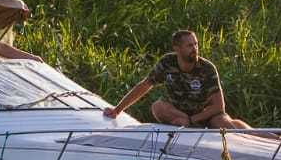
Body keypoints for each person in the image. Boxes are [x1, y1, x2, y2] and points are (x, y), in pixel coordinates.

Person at [104, 30, 249, 128]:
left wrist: (193, 120)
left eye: (196, 44)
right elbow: (145, 85)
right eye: (190, 45)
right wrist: (117, 110)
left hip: (206, 115)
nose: (195, 48)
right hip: (180, 113)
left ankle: (268, 140)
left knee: (229, 126)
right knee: (157, 106)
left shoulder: (207, 68)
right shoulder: (167, 63)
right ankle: (185, 125)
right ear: (177, 48)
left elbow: (219, 106)